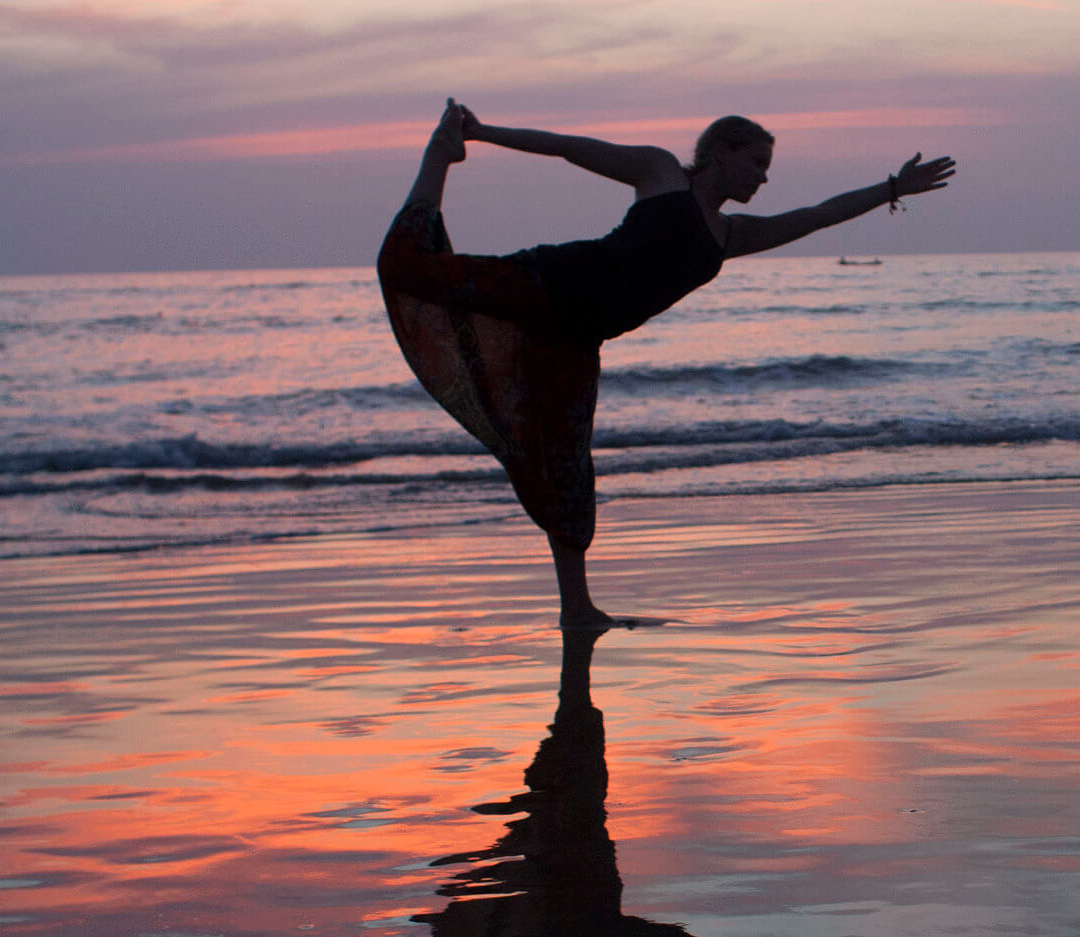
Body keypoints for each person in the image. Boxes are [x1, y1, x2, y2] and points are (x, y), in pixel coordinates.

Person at [377, 99, 955, 628]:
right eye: (755, 161)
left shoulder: (729, 236)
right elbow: (567, 146)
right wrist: (481, 134)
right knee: (408, 268)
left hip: (577, 339)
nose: (763, 176)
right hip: (547, 283)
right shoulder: (660, 175)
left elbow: (817, 215)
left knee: (566, 468)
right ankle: (439, 154)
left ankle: (576, 610)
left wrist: (890, 189)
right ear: (721, 152)